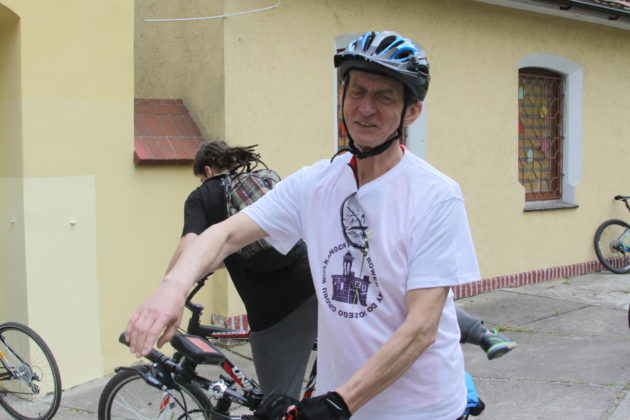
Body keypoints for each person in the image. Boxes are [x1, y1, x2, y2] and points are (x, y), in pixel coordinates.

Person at [125, 31, 506, 419]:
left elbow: (421, 328)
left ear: (412, 112)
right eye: (357, 91)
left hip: (421, 409)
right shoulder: (317, 183)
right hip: (342, 402)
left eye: (385, 97)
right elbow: (224, 235)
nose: (366, 108)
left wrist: (338, 402)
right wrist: (171, 290)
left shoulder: (436, 195)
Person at [164, 140, 317, 401]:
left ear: (207, 171)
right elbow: (240, 249)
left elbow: (189, 246)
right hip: (315, 281)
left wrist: (167, 290)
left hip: (276, 312)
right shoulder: (254, 185)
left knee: (276, 405)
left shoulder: (201, 196)